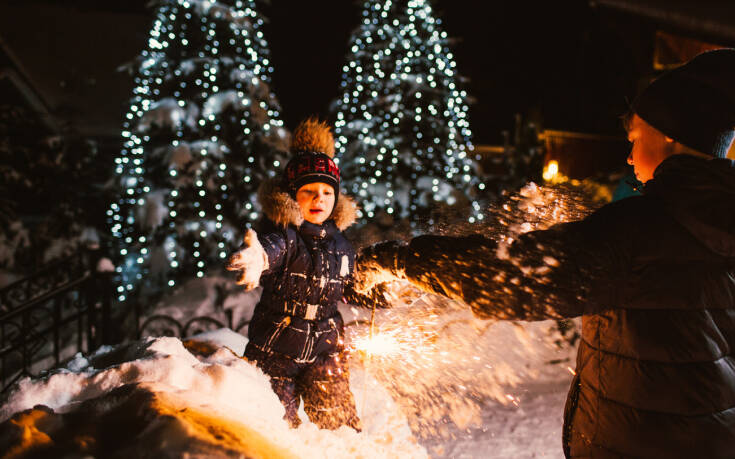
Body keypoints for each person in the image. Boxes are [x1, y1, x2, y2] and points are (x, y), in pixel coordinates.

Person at [354, 49, 735, 457]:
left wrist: (398, 259)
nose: (627, 156)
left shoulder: (637, 230)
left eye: (635, 139)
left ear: (669, 133)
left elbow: (512, 277)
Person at [227, 118, 372, 431]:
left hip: (326, 346)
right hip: (277, 343)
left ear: (336, 199)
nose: (319, 199)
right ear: (294, 197)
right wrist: (258, 258)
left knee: (337, 417)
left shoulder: (343, 245)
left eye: (326, 192)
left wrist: (375, 290)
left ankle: (342, 447)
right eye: (309, 191)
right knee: (274, 419)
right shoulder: (287, 237)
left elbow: (350, 285)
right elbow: (270, 250)